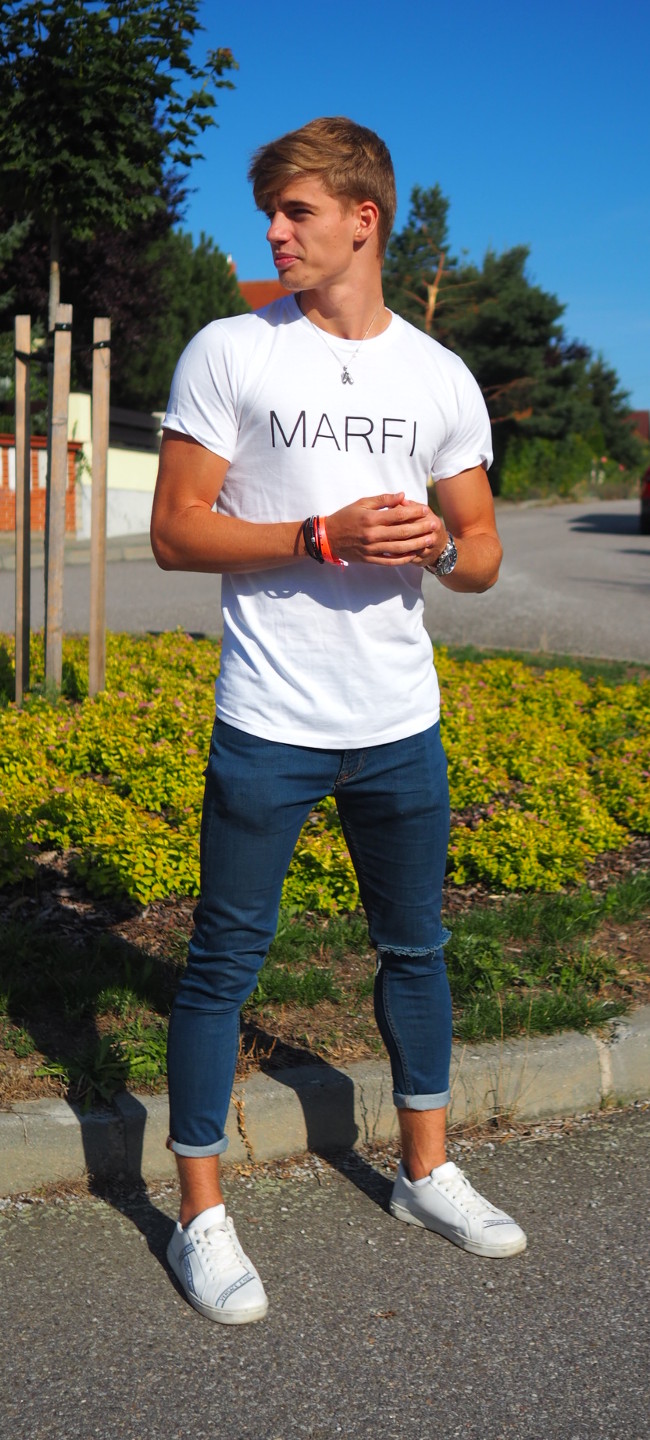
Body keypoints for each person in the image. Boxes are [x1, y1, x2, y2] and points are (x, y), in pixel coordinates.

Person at [151, 115, 526, 1326]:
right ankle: (198, 1215)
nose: (273, 231)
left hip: (398, 720)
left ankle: (424, 1172)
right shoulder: (231, 349)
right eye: (269, 211)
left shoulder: (436, 374)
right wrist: (317, 535)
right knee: (222, 963)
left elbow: (481, 551)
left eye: (295, 210)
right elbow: (175, 533)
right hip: (269, 718)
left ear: (363, 219)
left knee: (415, 950)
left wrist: (437, 547)